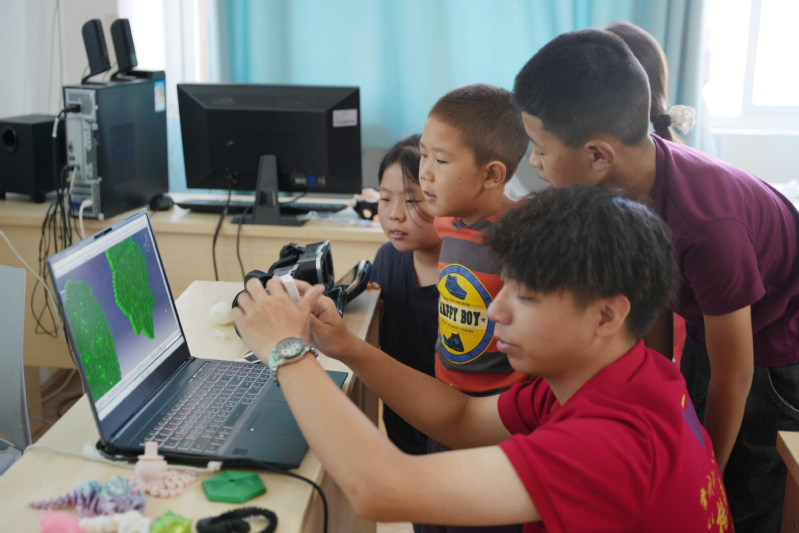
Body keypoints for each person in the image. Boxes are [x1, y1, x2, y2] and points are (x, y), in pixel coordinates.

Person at [231, 185, 731, 533]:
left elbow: (379, 488)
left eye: (525, 297)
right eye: (503, 285)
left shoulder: (611, 443)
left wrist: (287, 351)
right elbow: (462, 417)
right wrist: (345, 345)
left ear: (606, 315)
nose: (495, 310)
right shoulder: (624, 373)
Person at [512, 28, 799, 532]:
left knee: (739, 495)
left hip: (772, 350)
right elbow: (656, 303)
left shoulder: (708, 226)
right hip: (716, 326)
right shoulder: (631, 184)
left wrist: (701, 473)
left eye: (539, 148)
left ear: (598, 155)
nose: (533, 163)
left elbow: (736, 374)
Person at [418, 84, 530, 533]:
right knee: (432, 518)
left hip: (497, 421)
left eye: (441, 161)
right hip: (446, 404)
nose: (425, 173)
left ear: (492, 174)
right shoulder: (448, 220)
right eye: (423, 155)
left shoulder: (523, 238)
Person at [370, 134, 441, 462]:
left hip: (457, 441)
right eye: (385, 199)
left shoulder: (470, 278)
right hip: (401, 435)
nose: (395, 214)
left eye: (413, 201)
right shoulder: (386, 258)